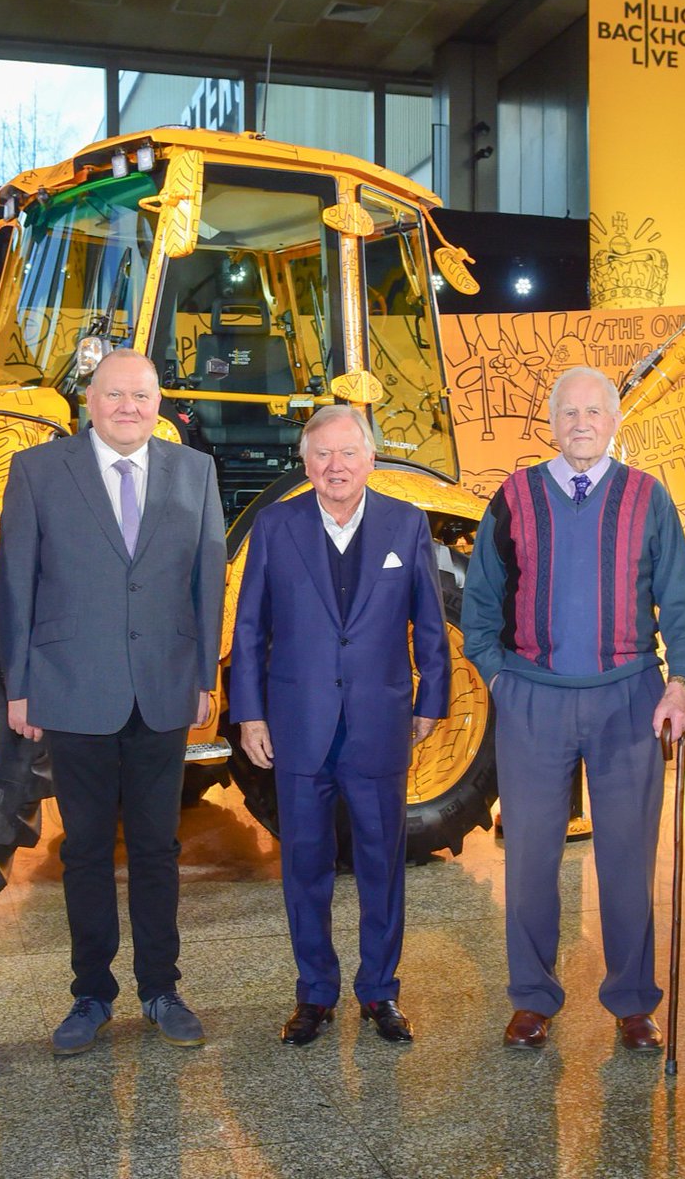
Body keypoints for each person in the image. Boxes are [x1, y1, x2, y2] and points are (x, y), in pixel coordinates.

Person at [462, 365, 685, 1053]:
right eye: (568, 412)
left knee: (627, 859)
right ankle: (532, 1000)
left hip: (627, 698)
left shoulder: (647, 499)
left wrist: (678, 682)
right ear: (551, 421)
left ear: (615, 420)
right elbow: (481, 602)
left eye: (594, 411)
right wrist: (499, 678)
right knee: (530, 860)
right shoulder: (513, 498)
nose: (581, 424)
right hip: (533, 698)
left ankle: (632, 1004)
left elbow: (680, 604)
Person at [0, 349, 224, 1055]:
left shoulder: (195, 471)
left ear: (161, 403)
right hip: (71, 687)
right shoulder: (40, 471)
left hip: (161, 685)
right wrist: (20, 684)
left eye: (143, 396)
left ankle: (162, 987)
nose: (130, 407)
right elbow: (17, 583)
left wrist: (203, 677)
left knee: (158, 848)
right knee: (88, 851)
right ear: (88, 401)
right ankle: (91, 993)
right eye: (116, 395)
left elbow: (208, 575)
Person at [229, 405, 450, 1046]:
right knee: (304, 864)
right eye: (322, 455)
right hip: (298, 726)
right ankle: (315, 994)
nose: (335, 466)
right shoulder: (275, 526)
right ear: (305, 463)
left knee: (383, 861)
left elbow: (430, 622)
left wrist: (431, 699)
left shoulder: (406, 524)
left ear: (370, 458)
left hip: (379, 723)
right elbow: (249, 631)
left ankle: (380, 991)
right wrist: (249, 714)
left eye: (347, 453)